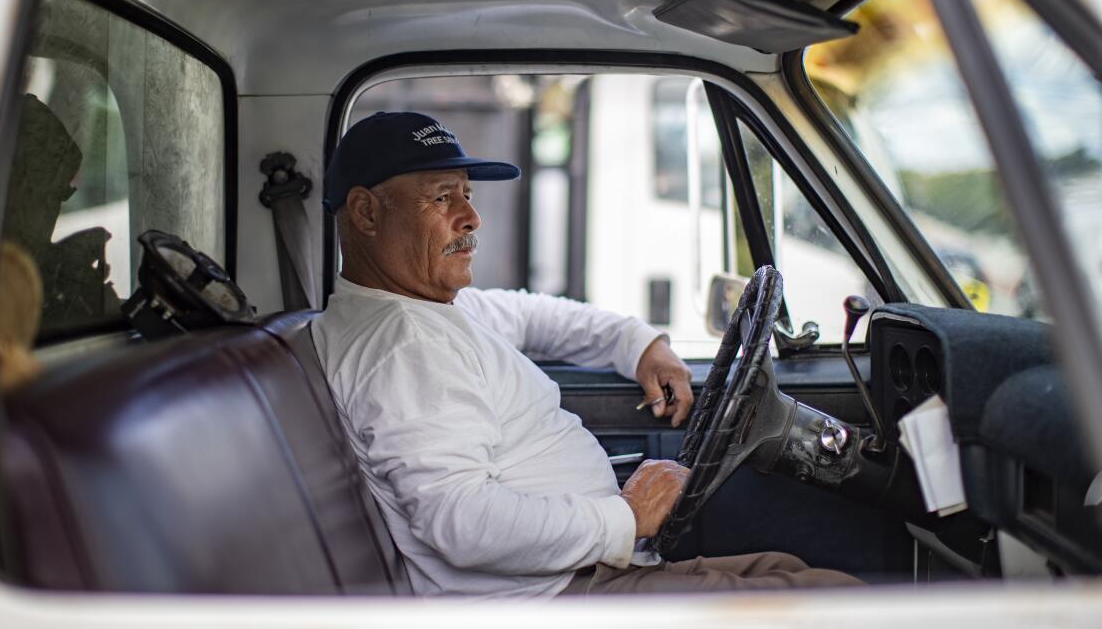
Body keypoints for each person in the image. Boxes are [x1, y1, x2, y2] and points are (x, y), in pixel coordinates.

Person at [313, 111, 860, 597]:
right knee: (838, 603)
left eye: (467, 194)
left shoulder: (428, 309)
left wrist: (639, 346)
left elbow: (535, 316)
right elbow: (462, 522)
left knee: (792, 572)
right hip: (558, 596)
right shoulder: (405, 349)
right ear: (365, 212)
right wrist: (625, 517)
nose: (471, 218)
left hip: (585, 573)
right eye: (441, 197)